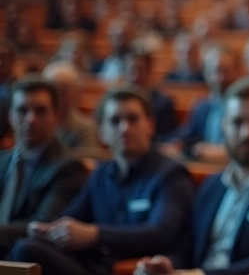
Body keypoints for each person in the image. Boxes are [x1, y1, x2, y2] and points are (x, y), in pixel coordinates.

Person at [134, 80, 249, 275]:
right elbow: (186, 248)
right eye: (237, 122)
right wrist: (167, 265)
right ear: (224, 126)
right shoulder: (211, 185)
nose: (247, 133)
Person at [9, 87, 194, 275]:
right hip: (94, 264)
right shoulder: (101, 173)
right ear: (102, 133)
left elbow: (162, 232)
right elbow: (72, 216)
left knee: (25, 250)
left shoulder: (170, 174)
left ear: (150, 125)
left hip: (135, 268)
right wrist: (50, 230)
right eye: (115, 121)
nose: (124, 128)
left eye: (132, 119)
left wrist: (95, 235)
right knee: (27, 247)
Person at [0, 79, 88, 255]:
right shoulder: (2, 160)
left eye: (40, 111)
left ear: (56, 116)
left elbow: (43, 226)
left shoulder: (69, 168)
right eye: (22, 110)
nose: (30, 119)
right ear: (10, 117)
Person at [166, 44, 241, 162]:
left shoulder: (246, 108)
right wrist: (174, 144)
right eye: (216, 71)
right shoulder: (202, 107)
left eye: (226, 71)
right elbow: (185, 134)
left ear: (238, 72)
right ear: (206, 73)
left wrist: (223, 152)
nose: (220, 77)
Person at [43, 61, 101, 149]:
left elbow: (87, 157)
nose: (57, 98)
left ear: (76, 94)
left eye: (63, 92)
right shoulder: (36, 122)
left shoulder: (85, 128)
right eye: (53, 92)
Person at [123, 51, 179, 142]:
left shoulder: (163, 104)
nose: (135, 76)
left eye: (140, 70)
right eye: (131, 70)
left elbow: (167, 139)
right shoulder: (118, 104)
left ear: (149, 72)